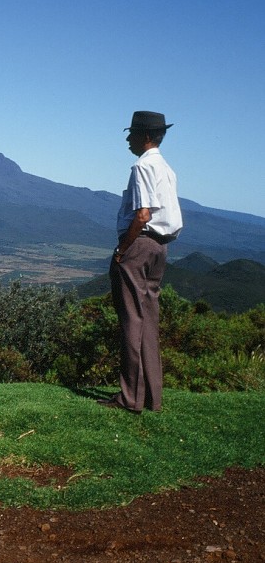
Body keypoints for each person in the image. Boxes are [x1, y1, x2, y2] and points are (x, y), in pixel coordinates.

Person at [99, 111, 183, 414]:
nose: (127, 138)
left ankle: (130, 397)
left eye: (131, 133)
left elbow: (143, 214)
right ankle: (151, 398)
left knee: (131, 320)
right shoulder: (166, 168)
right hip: (160, 248)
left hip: (139, 245)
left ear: (145, 136)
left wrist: (122, 249)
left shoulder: (142, 166)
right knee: (148, 321)